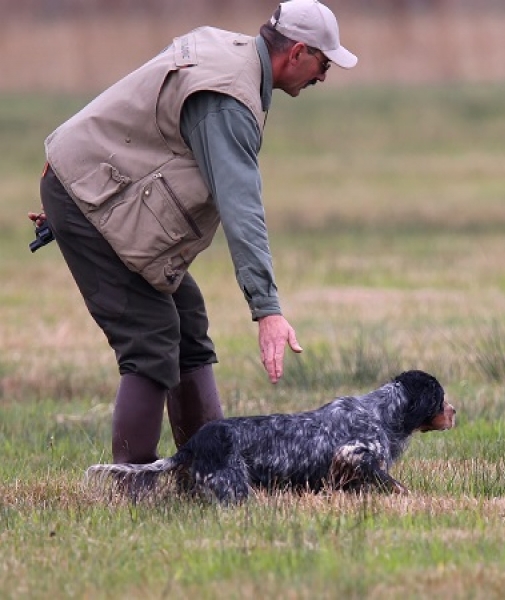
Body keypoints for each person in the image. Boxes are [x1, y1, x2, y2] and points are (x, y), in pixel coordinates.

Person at [28, 0, 358, 465]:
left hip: (92, 188)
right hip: (87, 196)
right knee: (151, 337)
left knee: (187, 319)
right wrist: (267, 309)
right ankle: (131, 481)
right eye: (324, 63)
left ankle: (208, 468)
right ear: (297, 52)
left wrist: (81, 182)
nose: (324, 75)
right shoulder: (229, 100)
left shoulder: (227, 51)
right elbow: (242, 209)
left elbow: (140, 118)